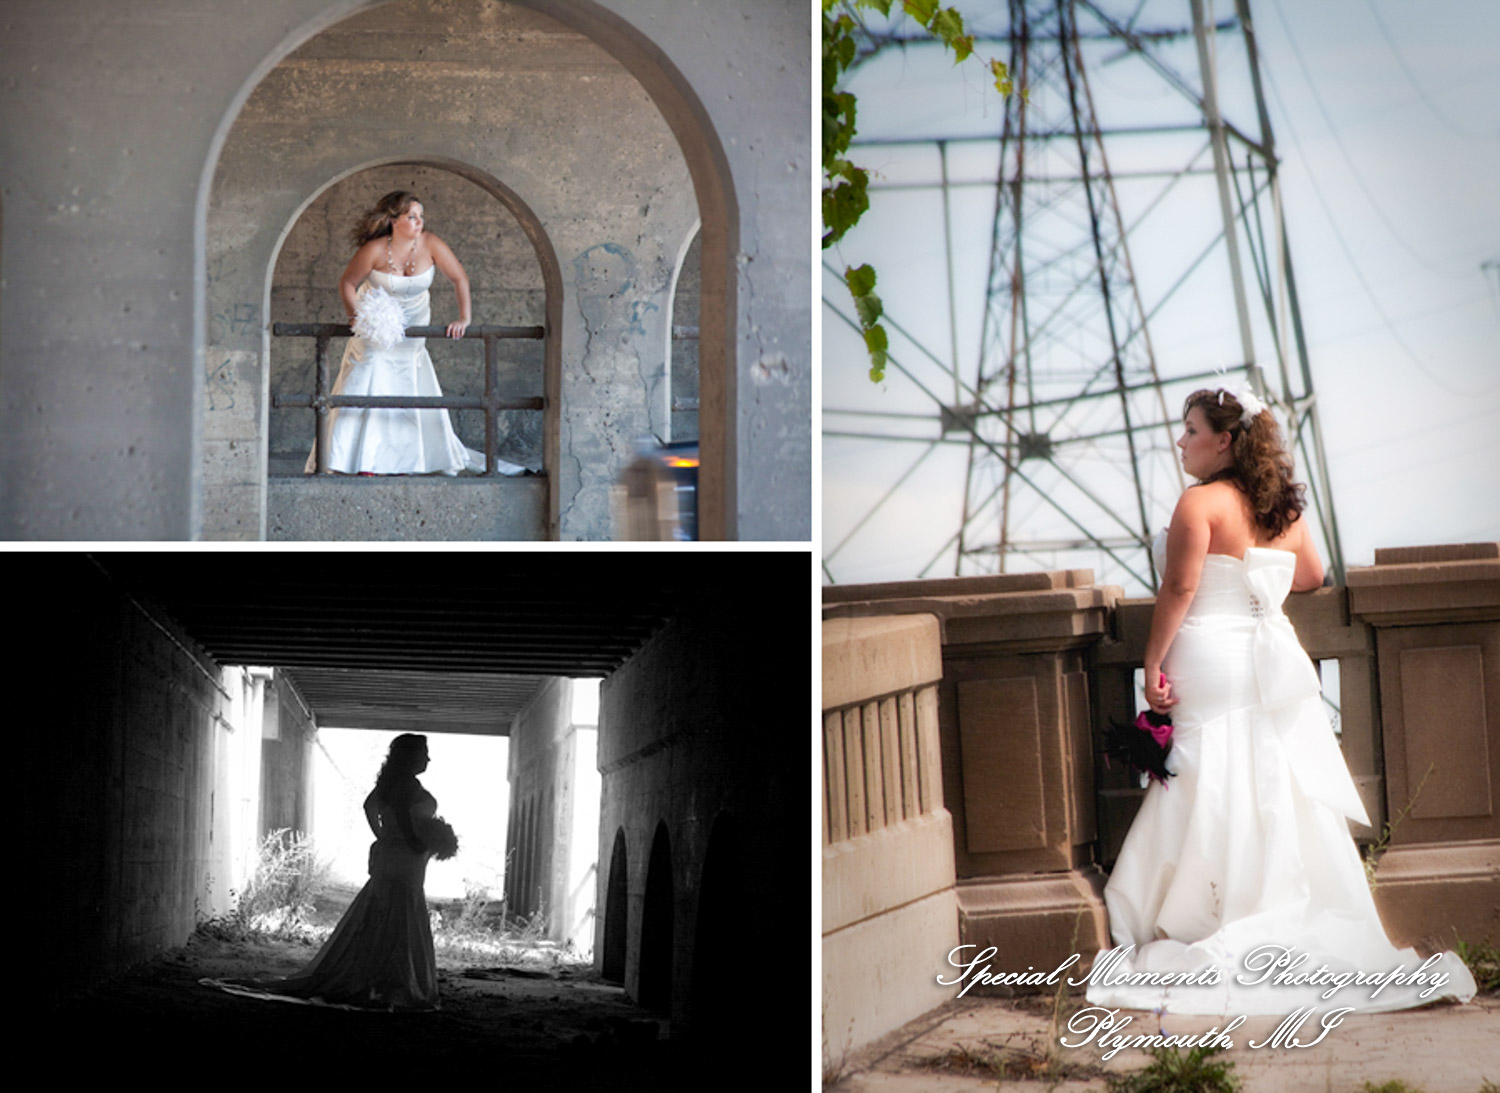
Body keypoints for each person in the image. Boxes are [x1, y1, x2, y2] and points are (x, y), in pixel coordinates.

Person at [1086, 382, 1476, 1016]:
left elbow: (1179, 587)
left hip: (1208, 656)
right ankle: (1274, 905)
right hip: (1266, 657)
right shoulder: (1280, 512)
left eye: (1190, 430)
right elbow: (1314, 577)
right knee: (1267, 770)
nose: (1180, 441)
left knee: (1208, 771)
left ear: (1226, 441)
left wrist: (1152, 662)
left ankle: (1209, 909)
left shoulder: (1198, 505)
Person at [305, 189, 526, 477]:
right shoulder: (373, 250)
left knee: (406, 379)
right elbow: (347, 282)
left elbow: (459, 278)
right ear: (394, 220)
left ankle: (410, 459)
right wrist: (357, 316)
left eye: (421, 216)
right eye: (412, 216)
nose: (419, 222)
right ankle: (359, 460)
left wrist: (464, 317)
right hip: (378, 323)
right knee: (368, 375)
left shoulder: (431, 243)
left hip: (415, 323)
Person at [215, 734, 442, 1010]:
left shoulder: (389, 783)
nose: (427, 759)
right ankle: (397, 979)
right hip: (405, 857)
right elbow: (405, 818)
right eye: (423, 753)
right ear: (410, 757)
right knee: (403, 910)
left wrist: (384, 837)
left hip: (394, 854)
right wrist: (414, 841)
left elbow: (369, 807)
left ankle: (381, 973)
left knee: (385, 909)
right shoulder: (409, 785)